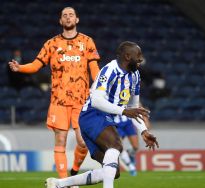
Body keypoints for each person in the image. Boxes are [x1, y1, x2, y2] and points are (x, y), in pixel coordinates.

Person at [45, 41, 159, 188]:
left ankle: (58, 184)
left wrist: (143, 130)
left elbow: (133, 106)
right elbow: (97, 101)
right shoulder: (109, 71)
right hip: (92, 115)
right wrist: (123, 111)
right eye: (138, 55)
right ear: (127, 56)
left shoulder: (135, 75)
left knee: (112, 171)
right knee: (116, 144)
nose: (141, 59)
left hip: (103, 120)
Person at [8, 7, 100, 179]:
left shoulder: (87, 42)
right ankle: (64, 181)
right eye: (64, 15)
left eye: (71, 15)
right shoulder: (51, 44)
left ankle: (74, 170)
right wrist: (20, 68)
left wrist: (100, 85)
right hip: (59, 101)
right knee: (60, 141)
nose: (68, 17)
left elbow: (94, 67)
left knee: (83, 142)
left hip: (81, 101)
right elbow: (36, 65)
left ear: (77, 19)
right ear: (60, 21)